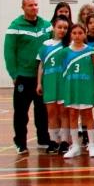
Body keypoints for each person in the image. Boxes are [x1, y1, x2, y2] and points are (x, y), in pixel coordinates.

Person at [5, 0, 52, 153]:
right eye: (30, 5)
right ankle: (20, 142)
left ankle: (43, 139)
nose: (34, 7)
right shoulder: (15, 27)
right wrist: (14, 74)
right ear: (23, 7)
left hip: (42, 77)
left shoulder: (46, 26)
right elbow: (9, 52)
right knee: (21, 112)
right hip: (23, 77)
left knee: (42, 111)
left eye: (36, 4)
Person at [60, 23, 94, 158]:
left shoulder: (92, 51)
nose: (77, 36)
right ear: (70, 34)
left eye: (80, 33)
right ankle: (75, 145)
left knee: (88, 114)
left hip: (86, 87)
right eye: (74, 33)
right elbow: (63, 71)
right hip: (71, 87)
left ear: (85, 34)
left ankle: (92, 144)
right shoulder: (64, 52)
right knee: (73, 115)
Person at [36, 17, 70, 154]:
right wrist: (39, 83)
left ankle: (64, 141)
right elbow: (41, 65)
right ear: (54, 27)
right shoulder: (45, 45)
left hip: (63, 82)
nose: (62, 30)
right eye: (59, 27)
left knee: (63, 112)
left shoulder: (67, 45)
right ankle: (53, 140)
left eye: (65, 28)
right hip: (49, 82)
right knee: (51, 113)